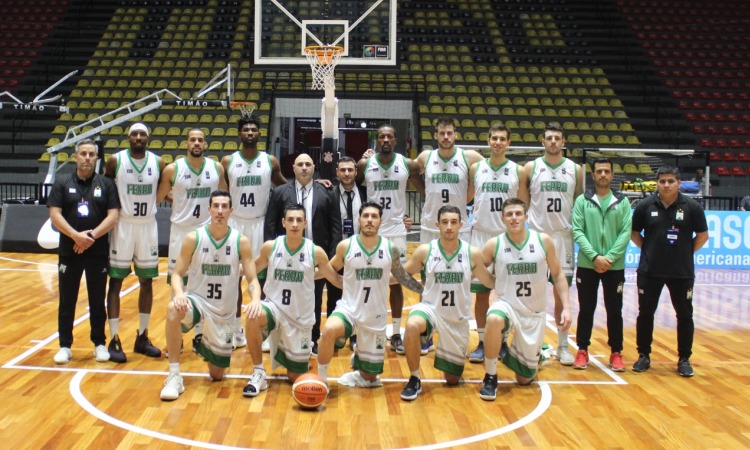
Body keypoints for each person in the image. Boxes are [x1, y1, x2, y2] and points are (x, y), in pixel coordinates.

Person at [159, 190, 261, 400]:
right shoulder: (193, 238)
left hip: (223, 313)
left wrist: (256, 300)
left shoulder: (240, 241)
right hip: (197, 302)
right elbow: (176, 275)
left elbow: (252, 280)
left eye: (224, 207)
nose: (220, 211)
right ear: (209, 209)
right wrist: (179, 293)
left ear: (231, 211)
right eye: (216, 206)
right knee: (172, 309)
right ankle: (174, 375)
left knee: (216, 375)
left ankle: (207, 344)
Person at [317, 202, 424, 387]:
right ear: (359, 219)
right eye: (366, 216)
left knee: (369, 380)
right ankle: (321, 380)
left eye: (374, 217)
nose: (369, 220)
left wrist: (423, 290)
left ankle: (361, 357)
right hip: (349, 310)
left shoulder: (390, 248)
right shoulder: (346, 246)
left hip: (375, 315)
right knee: (328, 330)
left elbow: (401, 277)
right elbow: (330, 270)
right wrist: (308, 276)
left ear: (380, 221)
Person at [243, 204, 342, 396]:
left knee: (295, 377)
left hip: (300, 318)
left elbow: (335, 279)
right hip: (274, 308)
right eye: (290, 220)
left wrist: (364, 281)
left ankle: (300, 353)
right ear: (283, 223)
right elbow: (251, 271)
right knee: (253, 315)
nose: (294, 224)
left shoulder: (315, 252)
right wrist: (252, 295)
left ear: (305, 223)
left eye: (298, 220)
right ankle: (258, 372)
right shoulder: (271, 247)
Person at [479, 198, 572, 400]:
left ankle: (535, 354)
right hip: (507, 305)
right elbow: (476, 267)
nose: (514, 218)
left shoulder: (543, 241)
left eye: (518, 214)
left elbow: (558, 275)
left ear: (526, 217)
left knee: (523, 379)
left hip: (533, 313)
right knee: (494, 318)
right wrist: (494, 283)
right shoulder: (494, 244)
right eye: (509, 214)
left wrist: (566, 307)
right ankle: (490, 376)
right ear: (502, 219)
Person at [399, 205, 495, 401]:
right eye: (445, 222)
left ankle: (443, 355)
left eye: (453, 222)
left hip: (456, 319)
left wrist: (511, 277)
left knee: (451, 380)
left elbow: (488, 281)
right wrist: (380, 275)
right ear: (437, 225)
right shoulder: (426, 251)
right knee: (412, 324)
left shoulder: (472, 253)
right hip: (431, 311)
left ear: (461, 225)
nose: (449, 226)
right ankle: (414, 378)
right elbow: (402, 274)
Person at [631, 166, 708, 377]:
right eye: (662, 181)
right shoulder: (645, 206)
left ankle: (684, 359)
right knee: (645, 314)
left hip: (681, 272)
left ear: (679, 183)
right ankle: (643, 356)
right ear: (657, 183)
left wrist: (685, 252)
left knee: (684, 315)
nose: (666, 185)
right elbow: (634, 233)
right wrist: (650, 249)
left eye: (671, 181)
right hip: (650, 270)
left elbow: (702, 236)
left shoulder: (692, 207)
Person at [48, 139, 120, 364]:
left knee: (97, 300)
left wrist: (90, 237)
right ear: (75, 156)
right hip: (69, 250)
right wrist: (75, 236)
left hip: (97, 251)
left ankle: (99, 343)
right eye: (83, 154)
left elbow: (113, 216)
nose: (87, 158)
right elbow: (55, 214)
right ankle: (65, 345)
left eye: (91, 154)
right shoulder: (62, 181)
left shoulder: (106, 184)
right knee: (67, 299)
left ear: (97, 158)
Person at [264, 153, 342, 356]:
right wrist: (272, 256)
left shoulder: (328, 193)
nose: (304, 168)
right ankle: (281, 337)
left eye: (308, 164)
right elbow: (270, 225)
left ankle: (312, 338)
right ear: (293, 168)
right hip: (286, 258)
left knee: (314, 299)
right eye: (300, 164)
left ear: (314, 167)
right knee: (285, 299)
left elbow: (335, 227)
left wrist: (331, 258)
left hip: (316, 257)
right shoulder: (280, 192)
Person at [222, 116, 288, 350]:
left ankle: (265, 328)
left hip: (261, 224)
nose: (250, 133)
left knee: (264, 279)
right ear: (239, 134)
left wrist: (307, 187)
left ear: (259, 134)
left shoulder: (269, 161)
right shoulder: (228, 161)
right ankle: (234, 330)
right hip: (236, 224)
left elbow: (284, 186)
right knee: (233, 279)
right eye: (246, 130)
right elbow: (222, 192)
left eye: (253, 130)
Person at [358, 124, 424, 355]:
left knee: (396, 283)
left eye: (389, 136)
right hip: (371, 231)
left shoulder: (407, 164)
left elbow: (425, 192)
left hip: (396, 231)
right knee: (369, 282)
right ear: (376, 140)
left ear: (396, 140)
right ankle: (367, 330)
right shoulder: (365, 164)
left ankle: (396, 333)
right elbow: (351, 187)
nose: (385, 140)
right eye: (381, 137)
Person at [466, 124, 529, 363]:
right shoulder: (476, 168)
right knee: (481, 294)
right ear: (488, 140)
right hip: (480, 236)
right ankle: (483, 342)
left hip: (506, 238)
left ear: (508, 143)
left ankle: (502, 342)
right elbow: (467, 197)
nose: (498, 142)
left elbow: (522, 205)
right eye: (494, 138)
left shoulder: (518, 171)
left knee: (508, 295)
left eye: (503, 139)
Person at [523, 122, 583, 366]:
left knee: (561, 295)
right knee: (531, 295)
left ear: (563, 142)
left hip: (563, 238)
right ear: (543, 142)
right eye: (549, 138)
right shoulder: (531, 168)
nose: (553, 142)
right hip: (537, 237)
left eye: (557, 138)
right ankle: (532, 345)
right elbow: (523, 203)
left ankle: (563, 346)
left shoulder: (575, 170)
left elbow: (578, 202)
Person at [105, 122, 165, 362]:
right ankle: (114, 338)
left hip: (147, 225)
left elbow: (165, 189)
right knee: (116, 281)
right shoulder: (116, 160)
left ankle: (142, 336)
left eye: (142, 134)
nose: (138, 137)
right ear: (128, 137)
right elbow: (106, 187)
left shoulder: (158, 162)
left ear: (148, 138)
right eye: (134, 134)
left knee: (147, 282)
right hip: (123, 225)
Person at [571, 158, 632, 371]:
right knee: (586, 309)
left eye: (606, 171)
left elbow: (626, 232)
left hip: (614, 266)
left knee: (615, 310)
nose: (603, 174)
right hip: (588, 265)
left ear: (612, 175)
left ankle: (616, 352)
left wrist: (609, 258)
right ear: (593, 175)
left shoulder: (622, 201)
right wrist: (595, 257)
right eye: (599, 171)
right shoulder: (582, 200)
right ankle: (582, 350)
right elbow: (577, 231)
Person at [415, 117, 484, 244]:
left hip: (459, 226)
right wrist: (423, 192)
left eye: (449, 133)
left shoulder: (468, 156)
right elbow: (406, 172)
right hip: (430, 225)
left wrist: (470, 195)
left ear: (455, 135)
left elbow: (490, 169)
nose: (446, 137)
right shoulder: (426, 156)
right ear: (436, 135)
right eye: (442, 133)